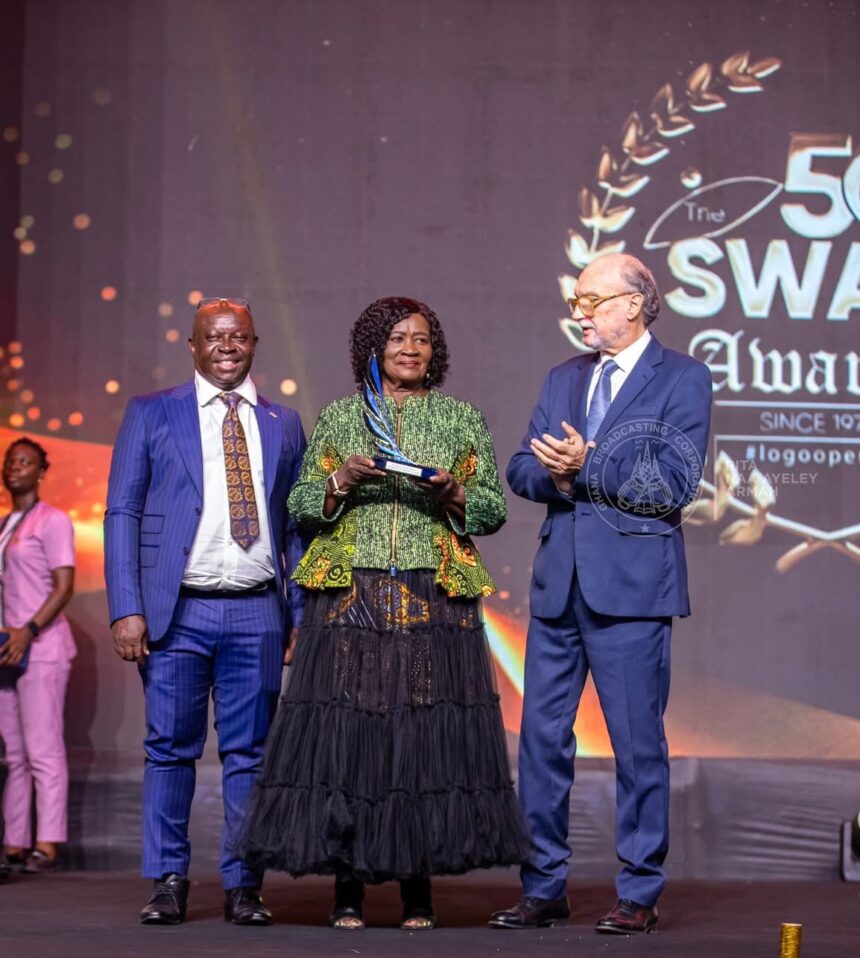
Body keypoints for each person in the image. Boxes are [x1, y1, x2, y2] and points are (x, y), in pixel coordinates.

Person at [239, 296, 529, 930]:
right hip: (351, 596)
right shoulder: (342, 418)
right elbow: (302, 506)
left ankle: (417, 890)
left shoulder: (460, 419)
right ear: (373, 347)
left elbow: (493, 511)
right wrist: (339, 480)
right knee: (353, 740)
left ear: (435, 351)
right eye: (397, 338)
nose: (410, 348)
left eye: (422, 339)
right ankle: (348, 888)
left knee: (420, 739)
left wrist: (454, 491)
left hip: (433, 600)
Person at [490, 253, 712, 934]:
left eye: (592, 299)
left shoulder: (683, 378)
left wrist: (590, 462)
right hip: (560, 590)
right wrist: (556, 477)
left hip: (634, 593)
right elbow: (520, 467)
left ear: (637, 303)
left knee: (637, 747)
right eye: (577, 299)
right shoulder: (564, 378)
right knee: (540, 746)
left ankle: (639, 893)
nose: (580, 311)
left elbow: (673, 481)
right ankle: (543, 886)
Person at [104, 297, 306, 925]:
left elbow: (296, 529)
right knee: (169, 748)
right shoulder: (151, 413)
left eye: (238, 337)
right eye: (213, 337)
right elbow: (122, 513)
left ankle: (244, 883)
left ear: (253, 343)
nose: (226, 346)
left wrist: (298, 611)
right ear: (192, 345)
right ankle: (168, 879)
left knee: (250, 755)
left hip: (257, 612)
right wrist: (126, 606)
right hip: (177, 612)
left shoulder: (283, 422)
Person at [0, 437, 75, 874]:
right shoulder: (6, 524)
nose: (16, 468)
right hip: (9, 649)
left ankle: (46, 843)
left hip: (42, 648)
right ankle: (14, 841)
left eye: (26, 462)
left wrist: (29, 630)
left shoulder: (53, 521)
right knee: (13, 753)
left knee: (43, 749)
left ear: (41, 471)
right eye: (11, 462)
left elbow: (63, 587)